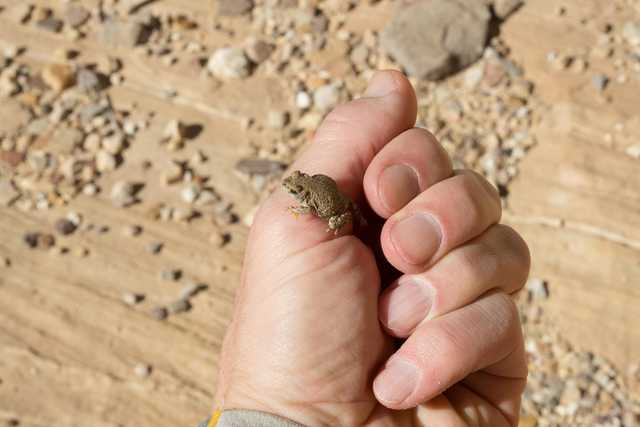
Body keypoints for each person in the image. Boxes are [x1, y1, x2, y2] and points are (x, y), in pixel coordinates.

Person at [201, 70, 530, 427]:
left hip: (339, 213)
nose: (291, 193)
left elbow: (318, 204)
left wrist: (274, 413)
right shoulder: (306, 205)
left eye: (295, 192)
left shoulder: (309, 203)